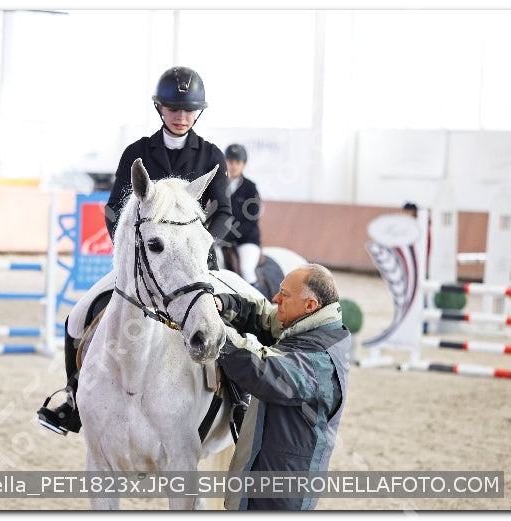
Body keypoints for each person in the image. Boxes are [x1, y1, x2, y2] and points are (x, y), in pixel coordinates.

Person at [37, 66, 233, 436]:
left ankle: (238, 403)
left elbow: (224, 211)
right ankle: (73, 399)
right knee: (77, 317)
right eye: (173, 109)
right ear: (160, 108)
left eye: (189, 110)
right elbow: (114, 209)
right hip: (143, 264)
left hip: (196, 266)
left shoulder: (211, 156)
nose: (181, 116)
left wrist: (197, 246)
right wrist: (131, 255)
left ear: (198, 112)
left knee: (234, 318)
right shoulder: (137, 153)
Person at [213, 263, 351, 510]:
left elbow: (261, 370)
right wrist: (223, 304)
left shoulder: (320, 359)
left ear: (310, 305)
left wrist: (213, 330)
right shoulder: (311, 324)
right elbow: (264, 316)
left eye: (284, 295)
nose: (276, 299)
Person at [221, 143, 262, 285]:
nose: (233, 166)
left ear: (243, 164)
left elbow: (252, 221)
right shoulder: (219, 185)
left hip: (245, 240)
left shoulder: (250, 188)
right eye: (230, 161)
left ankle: (256, 296)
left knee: (246, 269)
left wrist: (228, 235)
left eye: (237, 162)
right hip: (221, 239)